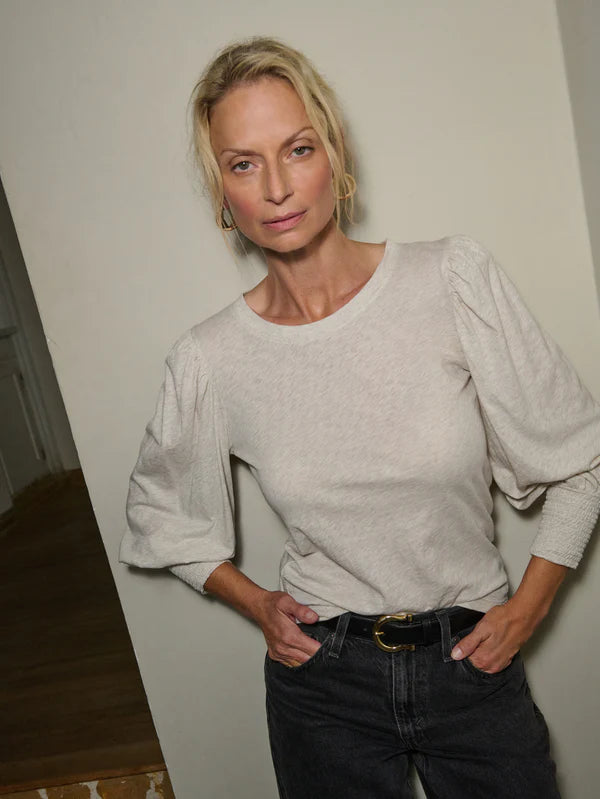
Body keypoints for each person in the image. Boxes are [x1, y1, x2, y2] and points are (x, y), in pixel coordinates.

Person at [118, 35, 600, 798]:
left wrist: (526, 609)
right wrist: (257, 603)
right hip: (324, 688)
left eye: (298, 149)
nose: (277, 187)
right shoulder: (212, 358)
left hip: (470, 665)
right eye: (243, 164)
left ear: (335, 153)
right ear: (222, 193)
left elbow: (582, 459)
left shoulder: (449, 279)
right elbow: (159, 511)